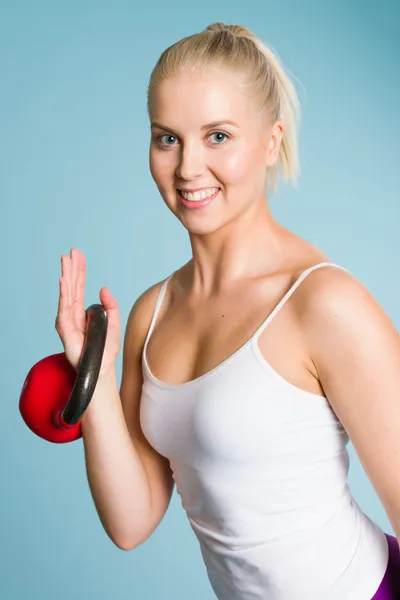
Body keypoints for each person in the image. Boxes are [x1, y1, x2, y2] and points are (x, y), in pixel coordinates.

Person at [55, 22, 400, 600]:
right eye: (168, 137)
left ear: (271, 141)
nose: (188, 167)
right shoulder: (151, 313)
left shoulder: (324, 304)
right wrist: (92, 375)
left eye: (217, 136)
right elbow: (131, 522)